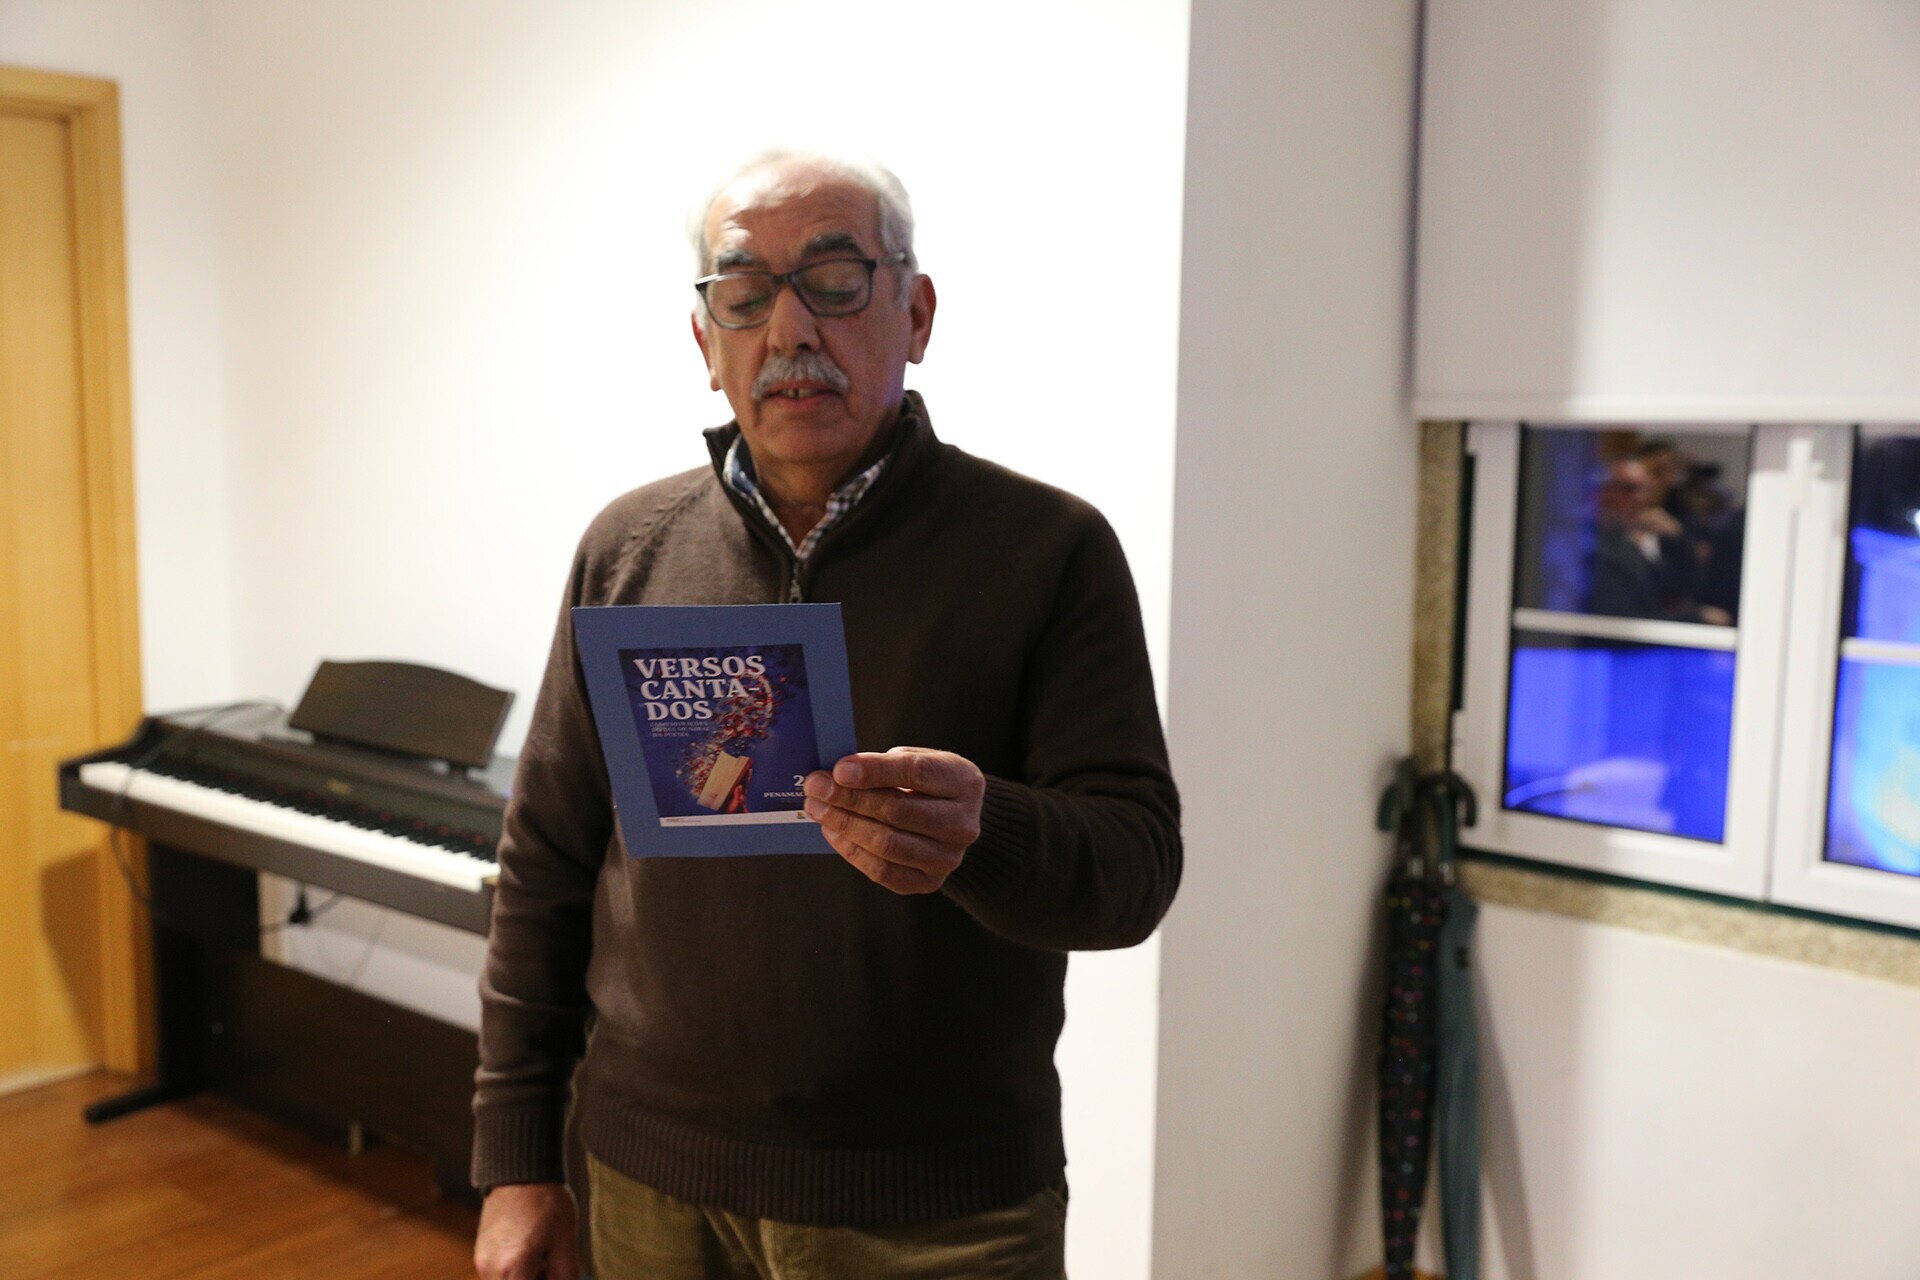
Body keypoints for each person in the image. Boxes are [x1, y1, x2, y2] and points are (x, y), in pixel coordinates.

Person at [470, 150, 1182, 1280]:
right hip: (649, 1181)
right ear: (705, 344)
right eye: (745, 293)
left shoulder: (1049, 551)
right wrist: (517, 1157)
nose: (790, 329)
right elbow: (546, 863)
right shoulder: (628, 550)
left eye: (837, 280)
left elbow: (1135, 871)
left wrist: (983, 830)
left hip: (937, 1206)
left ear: (918, 313)